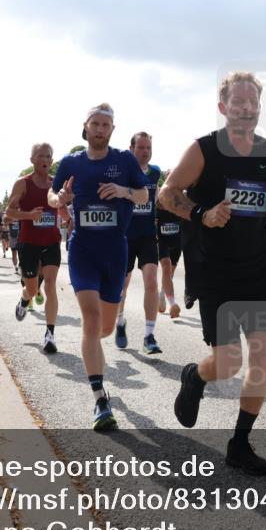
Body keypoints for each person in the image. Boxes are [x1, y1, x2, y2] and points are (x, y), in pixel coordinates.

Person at [158, 71, 266, 475]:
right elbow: (166, 194)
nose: (244, 108)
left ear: (259, 106)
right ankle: (195, 377)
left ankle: (240, 444)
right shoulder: (203, 150)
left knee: (261, 358)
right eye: (236, 102)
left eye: (251, 102)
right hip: (215, 270)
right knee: (229, 362)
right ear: (223, 107)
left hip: (258, 268)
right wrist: (202, 214)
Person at [48, 103, 149, 431]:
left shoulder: (124, 160)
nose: (100, 129)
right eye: (95, 123)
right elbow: (52, 196)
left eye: (106, 124)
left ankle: (103, 347)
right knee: (90, 321)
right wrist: (60, 198)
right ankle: (100, 399)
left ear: (112, 130)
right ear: (86, 127)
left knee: (104, 328)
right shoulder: (71, 162)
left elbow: (145, 196)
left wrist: (123, 191)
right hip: (83, 250)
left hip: (115, 252)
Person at [8, 142, 63, 354]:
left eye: (49, 156)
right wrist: (29, 216)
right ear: (32, 159)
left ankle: (50, 334)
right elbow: (9, 213)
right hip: (29, 242)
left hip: (51, 241)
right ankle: (24, 299)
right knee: (32, 290)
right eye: (41, 156)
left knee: (50, 285)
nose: (46, 160)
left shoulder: (55, 184)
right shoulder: (22, 184)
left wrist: (68, 217)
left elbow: (63, 206)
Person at [115, 132, 164, 354]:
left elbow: (157, 199)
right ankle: (120, 321)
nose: (145, 152)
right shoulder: (122, 172)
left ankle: (149, 335)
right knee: (122, 287)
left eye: (148, 148)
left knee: (152, 282)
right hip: (125, 236)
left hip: (147, 236)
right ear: (132, 148)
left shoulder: (155, 173)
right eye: (141, 147)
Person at [156, 194, 183, 320]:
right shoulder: (159, 202)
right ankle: (172, 303)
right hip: (162, 241)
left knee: (170, 273)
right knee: (166, 268)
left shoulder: (182, 201)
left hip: (176, 241)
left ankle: (162, 294)